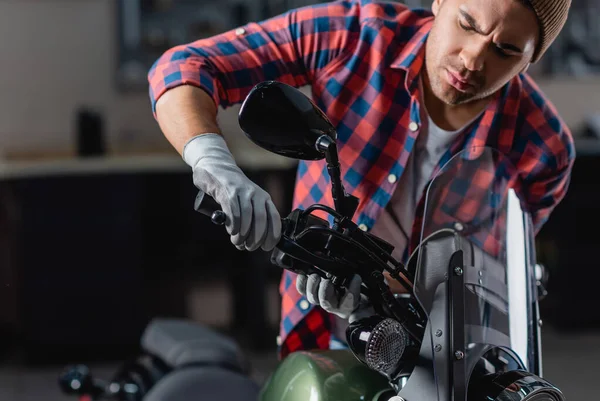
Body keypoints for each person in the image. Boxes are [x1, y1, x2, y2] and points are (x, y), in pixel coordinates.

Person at [148, 0, 574, 359]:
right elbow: (182, 65)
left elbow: (495, 285)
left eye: (506, 49)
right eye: (467, 24)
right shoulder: (353, 36)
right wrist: (212, 159)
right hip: (314, 325)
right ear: (440, 1)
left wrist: (385, 301)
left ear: (532, 57)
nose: (473, 59)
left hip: (437, 354)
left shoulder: (544, 148)